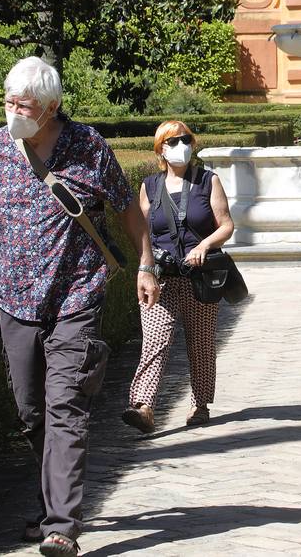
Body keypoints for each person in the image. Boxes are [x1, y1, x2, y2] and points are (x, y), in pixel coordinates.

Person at [0, 56, 158, 557]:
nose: (13, 111)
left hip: (76, 297)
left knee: (65, 408)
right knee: (32, 414)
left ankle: (62, 526)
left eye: (23, 105)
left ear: (50, 107)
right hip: (13, 300)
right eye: (8, 102)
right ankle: (51, 501)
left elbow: (126, 212)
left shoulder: (88, 147)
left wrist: (145, 265)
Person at [122, 120, 235, 434]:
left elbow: (226, 224)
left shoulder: (207, 181)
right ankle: (143, 406)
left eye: (185, 139)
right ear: (160, 149)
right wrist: (145, 266)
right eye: (172, 141)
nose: (180, 146)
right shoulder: (149, 186)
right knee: (155, 341)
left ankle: (200, 404)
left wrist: (205, 244)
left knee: (200, 344)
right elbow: (140, 231)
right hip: (163, 278)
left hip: (199, 278)